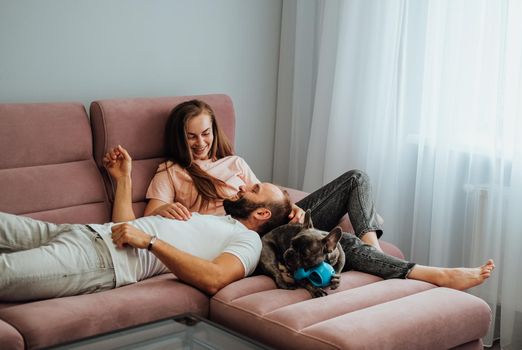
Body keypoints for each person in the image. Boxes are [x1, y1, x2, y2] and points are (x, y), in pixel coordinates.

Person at [142, 99, 495, 290]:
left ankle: (371, 247)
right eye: (192, 137)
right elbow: (147, 219)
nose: (201, 143)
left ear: (213, 130)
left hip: (273, 222)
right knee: (339, 245)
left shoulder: (235, 162)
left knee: (356, 178)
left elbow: (265, 199)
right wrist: (168, 208)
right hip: (247, 241)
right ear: (180, 138)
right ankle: (429, 273)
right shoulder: (171, 173)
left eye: (205, 134)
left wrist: (292, 208)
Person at [0, 146, 292, 302]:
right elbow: (127, 228)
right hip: (84, 232)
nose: (242, 187)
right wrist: (123, 178)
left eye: (254, 190)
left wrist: (151, 243)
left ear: (262, 214)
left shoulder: (249, 242)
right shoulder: (215, 218)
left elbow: (215, 279)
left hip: (98, 261)